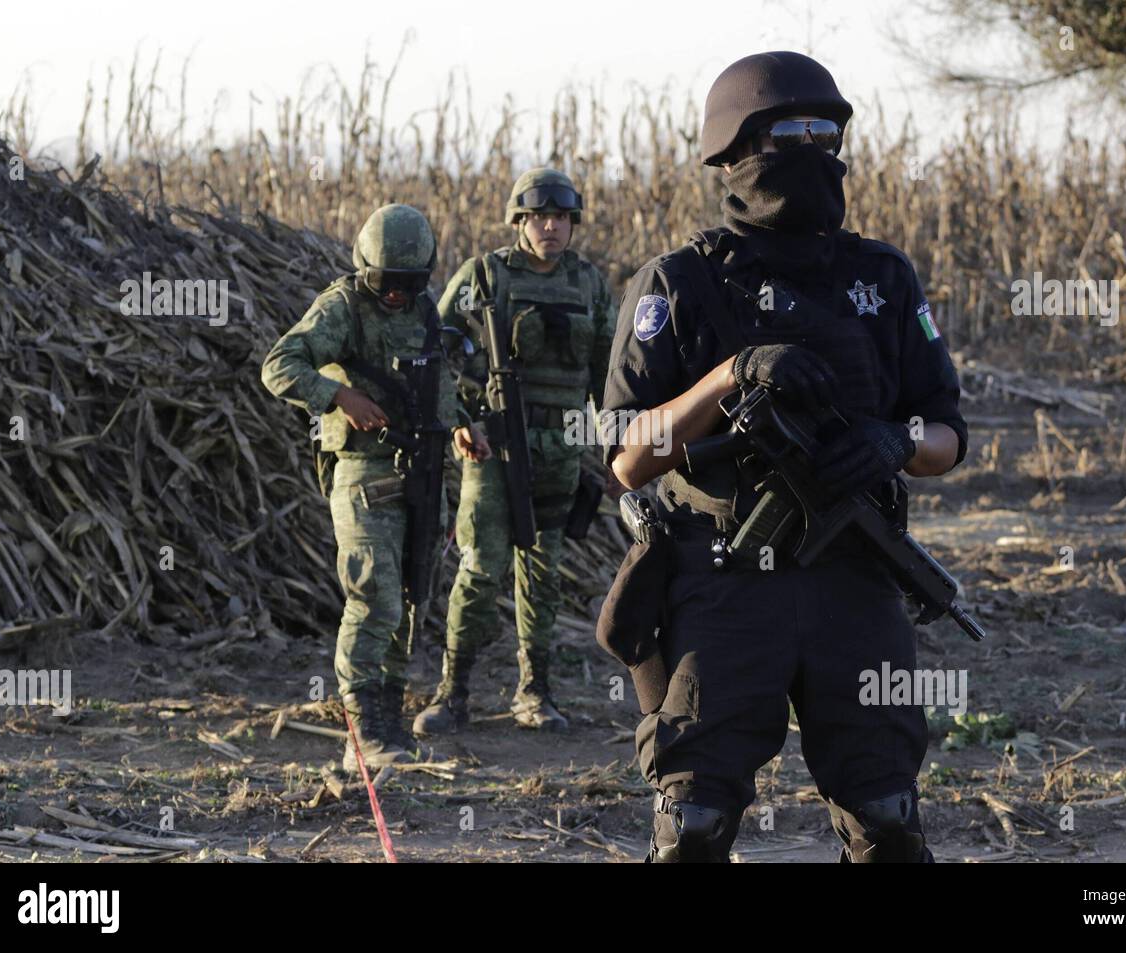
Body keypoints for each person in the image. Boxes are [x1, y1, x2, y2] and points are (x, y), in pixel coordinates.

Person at [602, 51, 969, 862]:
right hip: (723, 582)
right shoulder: (677, 285)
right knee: (692, 824)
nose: (812, 148)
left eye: (824, 132)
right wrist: (730, 375)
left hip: (854, 573)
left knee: (887, 815)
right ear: (733, 149)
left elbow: (946, 434)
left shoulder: (881, 276)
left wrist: (895, 440)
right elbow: (629, 458)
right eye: (787, 133)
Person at [412, 168, 615, 734]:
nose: (550, 227)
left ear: (572, 224)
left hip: (561, 451)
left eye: (560, 218)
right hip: (495, 446)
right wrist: (458, 421)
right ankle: (452, 693)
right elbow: (435, 353)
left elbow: (608, 374)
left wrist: (615, 448)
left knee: (544, 574)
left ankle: (535, 691)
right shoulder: (485, 276)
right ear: (520, 222)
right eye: (538, 218)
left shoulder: (590, 285)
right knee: (480, 569)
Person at [261, 203, 458, 772]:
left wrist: (466, 426)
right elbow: (280, 365)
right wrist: (339, 396)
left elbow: (437, 387)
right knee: (374, 594)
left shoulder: (424, 310)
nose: (395, 296)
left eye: (407, 285)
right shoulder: (343, 306)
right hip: (365, 474)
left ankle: (389, 724)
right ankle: (362, 729)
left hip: (422, 471)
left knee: (410, 600)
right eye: (385, 285)